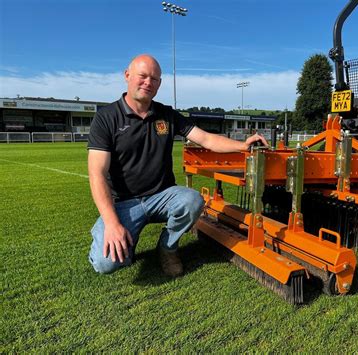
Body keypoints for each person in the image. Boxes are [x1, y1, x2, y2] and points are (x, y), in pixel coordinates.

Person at [87, 54, 267, 277]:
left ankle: (167, 248)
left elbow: (207, 139)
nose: (148, 82)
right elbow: (97, 174)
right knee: (105, 264)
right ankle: (118, 237)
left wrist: (243, 146)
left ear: (159, 84)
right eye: (142, 76)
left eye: (154, 79)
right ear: (127, 76)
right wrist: (112, 224)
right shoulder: (106, 117)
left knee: (192, 200)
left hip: (162, 195)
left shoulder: (167, 115)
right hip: (124, 203)